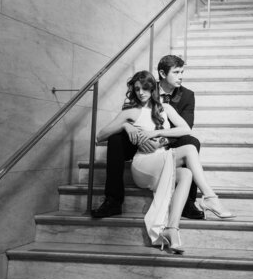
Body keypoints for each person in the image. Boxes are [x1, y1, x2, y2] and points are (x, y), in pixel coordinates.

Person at [95, 70, 235, 253]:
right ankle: (210, 197)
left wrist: (157, 133)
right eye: (137, 89)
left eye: (145, 88)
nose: (141, 92)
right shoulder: (130, 111)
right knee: (190, 149)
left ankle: (172, 229)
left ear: (153, 88)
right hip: (143, 166)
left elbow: (185, 129)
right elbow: (100, 136)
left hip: (162, 161)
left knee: (186, 173)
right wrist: (124, 125)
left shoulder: (165, 108)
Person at [93, 54, 204, 219]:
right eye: (177, 72)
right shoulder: (146, 86)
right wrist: (129, 127)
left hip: (168, 142)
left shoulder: (187, 96)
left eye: (182, 72)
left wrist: (158, 141)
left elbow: (185, 128)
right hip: (139, 141)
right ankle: (113, 201)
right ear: (163, 73)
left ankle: (187, 203)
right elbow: (129, 113)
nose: (181, 76)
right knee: (115, 140)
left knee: (192, 142)